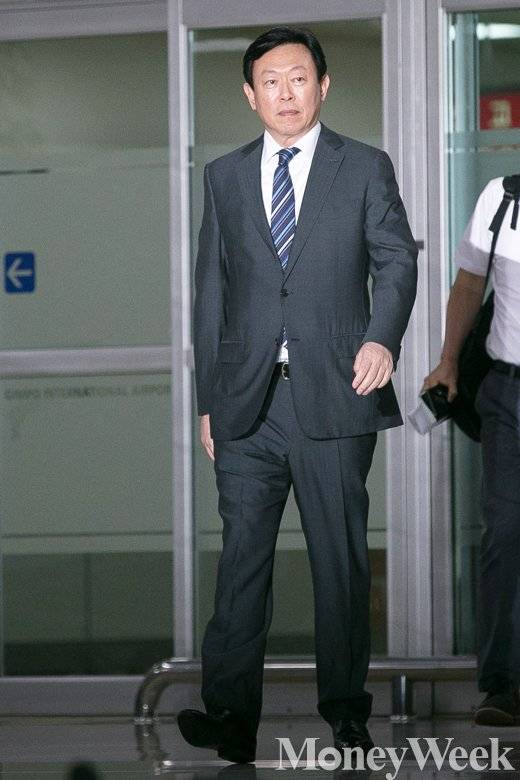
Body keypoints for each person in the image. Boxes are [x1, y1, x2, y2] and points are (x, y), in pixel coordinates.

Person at [178, 26, 418, 763]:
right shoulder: (223, 177)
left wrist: (381, 339)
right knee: (240, 563)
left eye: (299, 78)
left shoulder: (364, 166)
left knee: (338, 563)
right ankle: (230, 717)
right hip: (247, 406)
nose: (286, 93)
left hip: (335, 396)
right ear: (250, 96)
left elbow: (396, 261)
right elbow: (212, 294)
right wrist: (209, 402)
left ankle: (346, 715)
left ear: (324, 85)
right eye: (271, 82)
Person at [423, 176, 520, 727]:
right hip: (507, 392)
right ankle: (502, 685)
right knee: (505, 532)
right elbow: (468, 285)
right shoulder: (500, 200)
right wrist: (448, 361)